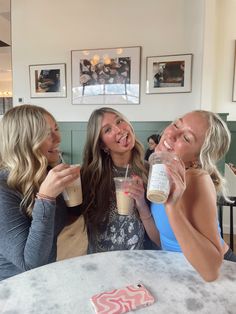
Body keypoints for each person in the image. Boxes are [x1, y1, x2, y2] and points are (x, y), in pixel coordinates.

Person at [142, 110, 236, 281]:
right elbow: (162, 237)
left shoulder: (198, 180)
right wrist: (141, 205)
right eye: (177, 124)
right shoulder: (161, 171)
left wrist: (172, 207)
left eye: (186, 138)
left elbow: (210, 272)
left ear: (197, 159)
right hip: (178, 270)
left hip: (217, 272)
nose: (171, 134)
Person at [0, 104, 80, 280]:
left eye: (56, 129)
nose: (58, 138)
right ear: (24, 140)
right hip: (13, 289)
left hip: (45, 278)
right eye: (46, 133)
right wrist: (46, 198)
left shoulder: (44, 175)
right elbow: (30, 263)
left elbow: (58, 223)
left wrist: (79, 198)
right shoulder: (3, 187)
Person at [81, 107, 160, 253]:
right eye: (107, 130)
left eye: (119, 121)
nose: (118, 130)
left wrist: (142, 205)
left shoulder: (151, 172)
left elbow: (160, 240)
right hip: (101, 263)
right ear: (102, 145)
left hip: (141, 262)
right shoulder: (90, 176)